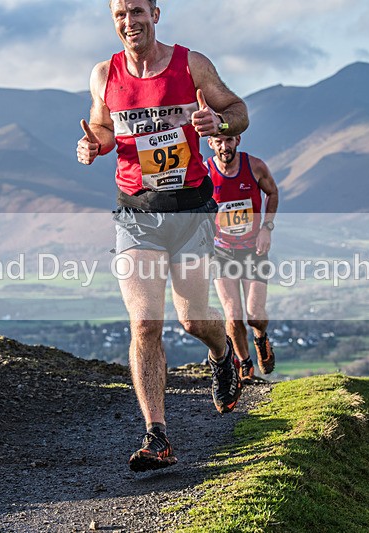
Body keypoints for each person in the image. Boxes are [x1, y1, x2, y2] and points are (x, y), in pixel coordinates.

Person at [76, 0, 250, 471]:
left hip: (190, 210)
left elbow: (238, 110)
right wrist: (94, 143)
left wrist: (222, 123)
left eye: (137, 11)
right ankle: (158, 436)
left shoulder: (190, 65)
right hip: (136, 213)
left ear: (156, 13)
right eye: (119, 14)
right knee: (146, 323)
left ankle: (221, 353)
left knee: (193, 320)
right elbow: (105, 127)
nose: (129, 22)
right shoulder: (103, 74)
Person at [206, 134, 278, 381]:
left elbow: (273, 193)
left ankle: (261, 338)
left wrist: (266, 229)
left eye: (228, 140)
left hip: (253, 251)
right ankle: (245, 364)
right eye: (218, 141)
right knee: (233, 314)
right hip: (222, 252)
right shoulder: (205, 172)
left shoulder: (255, 166)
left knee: (254, 315)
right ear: (211, 144)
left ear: (237, 140)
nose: (224, 146)